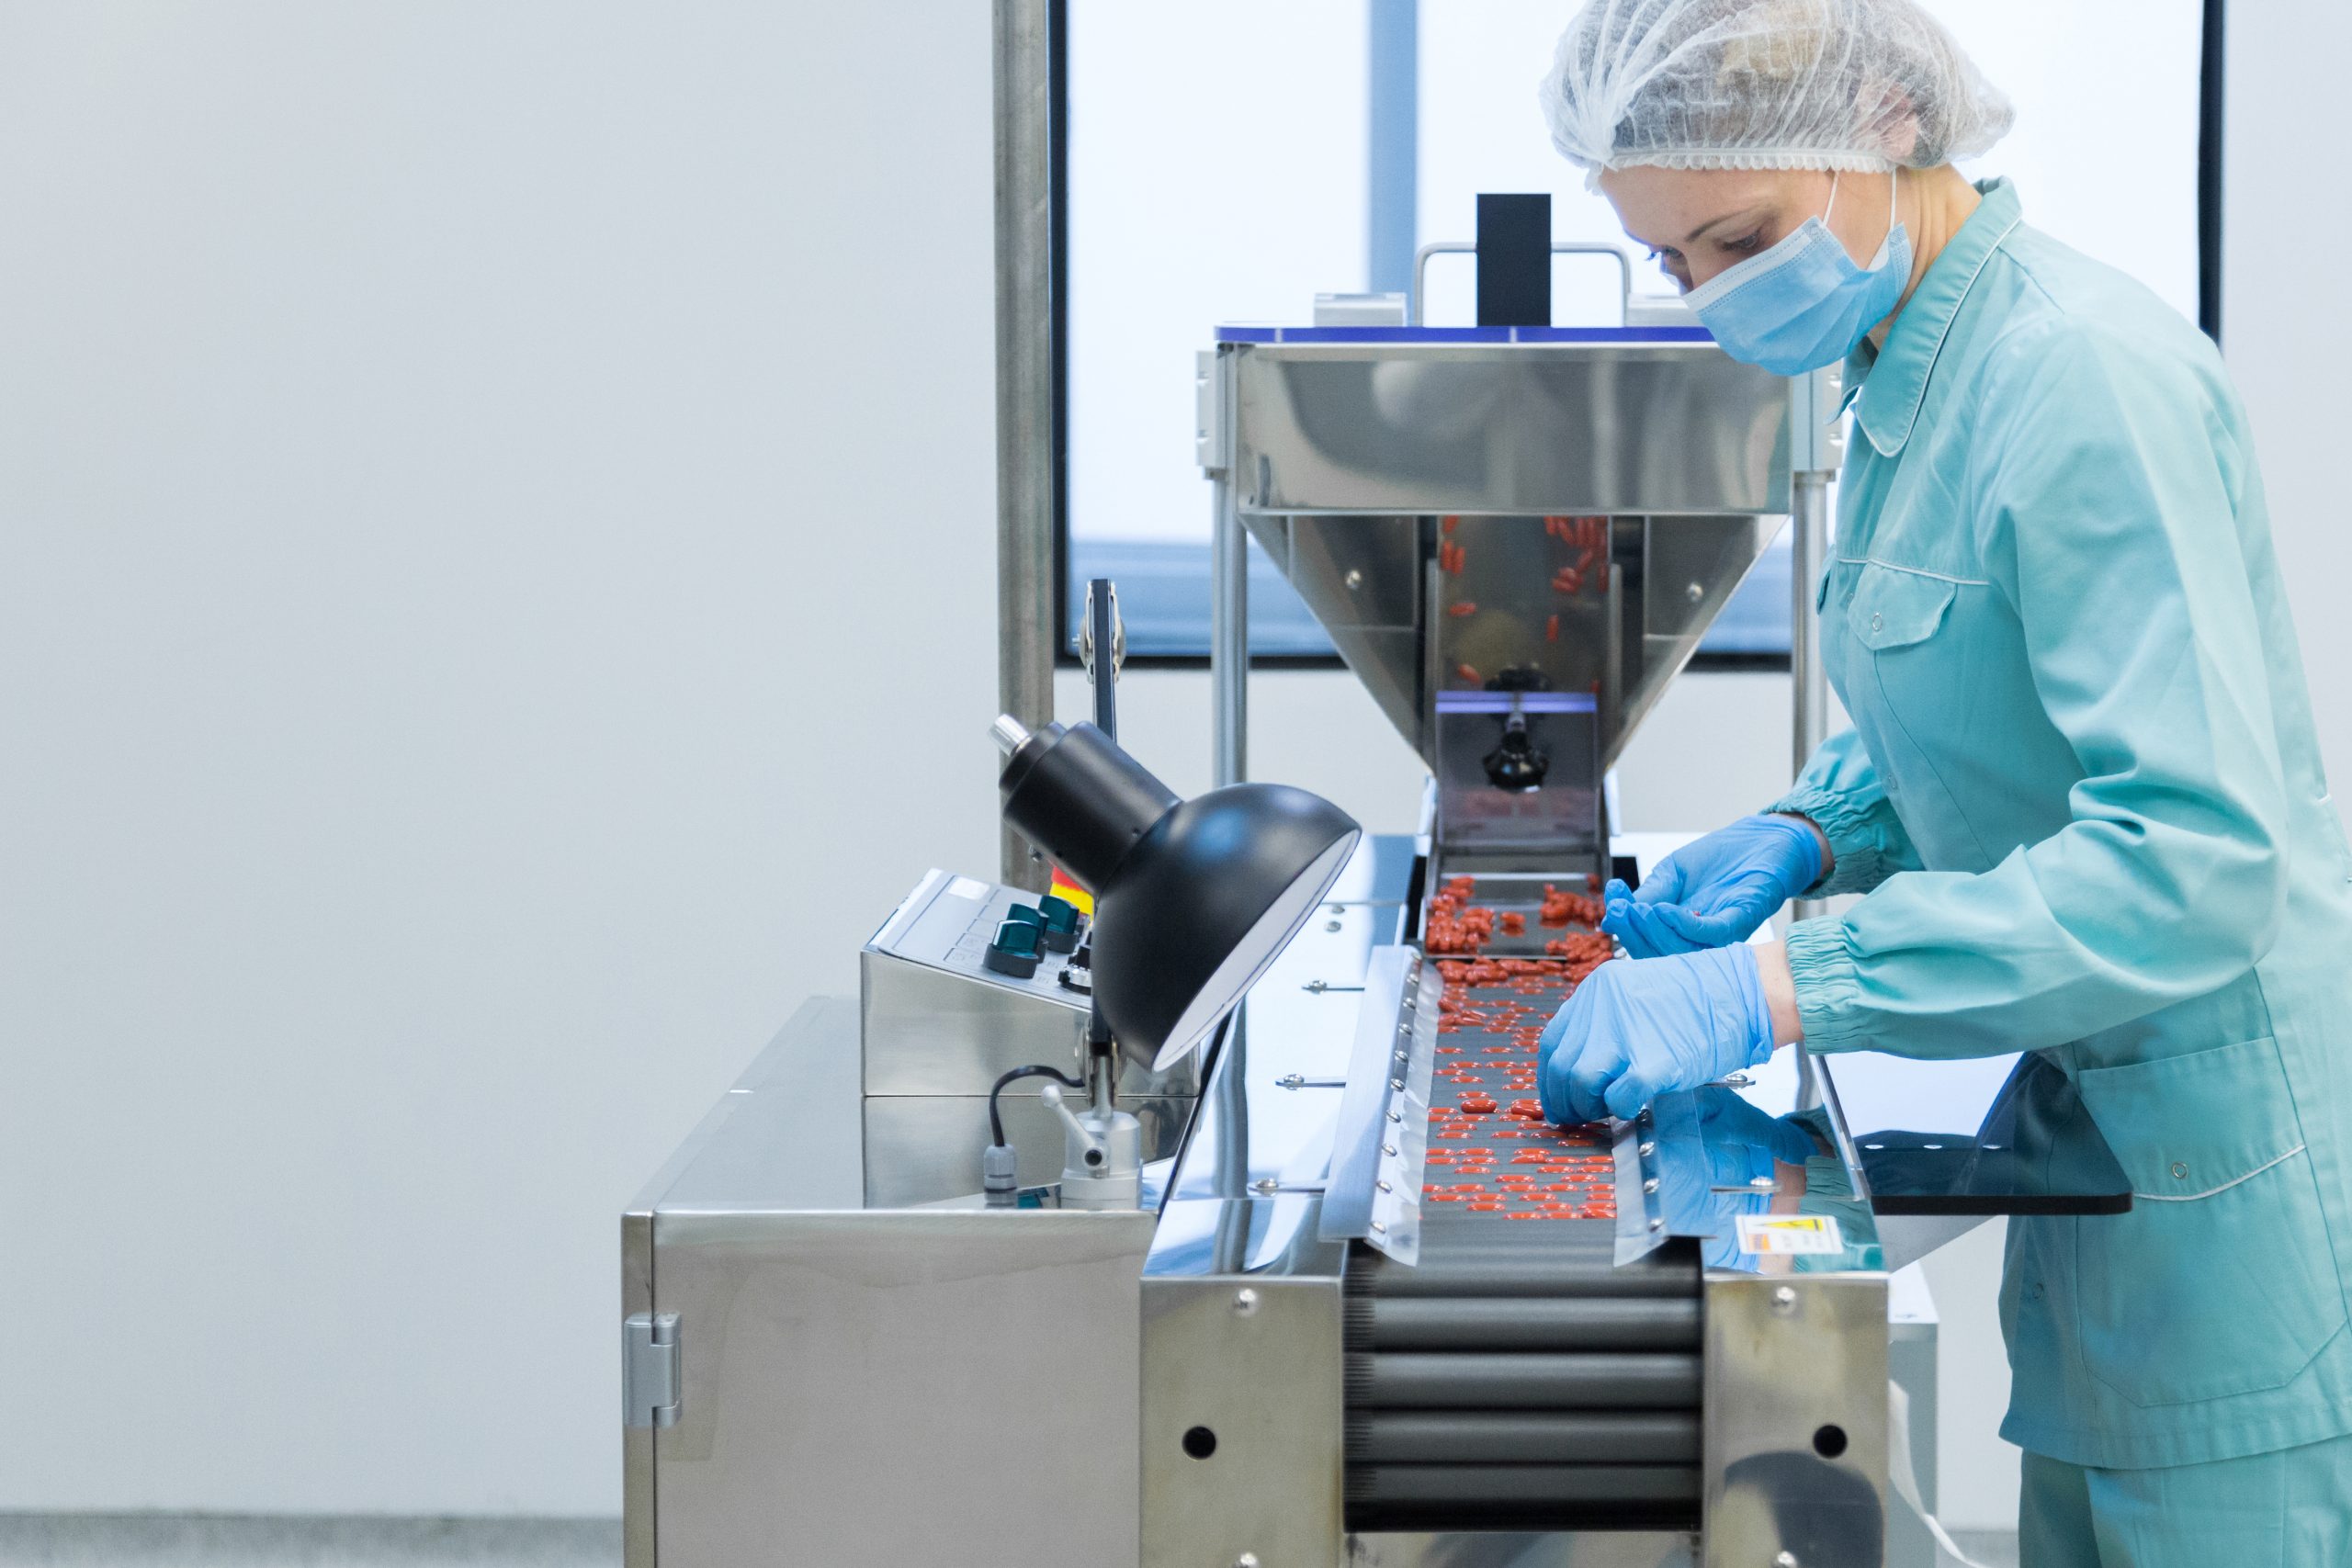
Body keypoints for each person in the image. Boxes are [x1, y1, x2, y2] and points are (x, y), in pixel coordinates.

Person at [1532, 1, 2352, 1562]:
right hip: (2115, 1175)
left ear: (1892, 118)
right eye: (1673, 263)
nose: (1712, 299)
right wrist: (1812, 827)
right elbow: (1987, 705)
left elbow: (2190, 856)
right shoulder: (1917, 374)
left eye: (1740, 237)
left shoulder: (2078, 378)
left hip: (2240, 1215)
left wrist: (1779, 985)